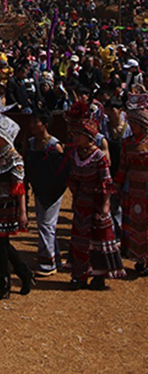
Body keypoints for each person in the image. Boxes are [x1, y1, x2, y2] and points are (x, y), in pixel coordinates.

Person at [66, 99, 125, 290]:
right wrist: (76, 196)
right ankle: (79, 276)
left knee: (99, 241)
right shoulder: (76, 154)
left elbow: (107, 182)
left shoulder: (99, 156)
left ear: (87, 135)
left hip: (98, 203)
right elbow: (73, 179)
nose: (75, 137)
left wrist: (105, 206)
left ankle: (99, 277)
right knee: (80, 241)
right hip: (82, 203)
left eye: (78, 134)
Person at [0, 104, 32, 300]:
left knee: (0, 242)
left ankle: (5, 282)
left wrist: (23, 212)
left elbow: (19, 188)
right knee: (0, 243)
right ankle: (22, 273)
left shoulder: (15, 158)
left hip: (7, 204)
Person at [25, 108, 68, 277]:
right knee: (45, 222)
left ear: (45, 125)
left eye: (36, 122)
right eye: (32, 121)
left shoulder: (54, 145)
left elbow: (61, 170)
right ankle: (54, 257)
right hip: (39, 188)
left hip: (52, 191)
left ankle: (47, 263)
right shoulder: (30, 143)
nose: (32, 125)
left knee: (46, 224)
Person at [114, 92, 148, 275]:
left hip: (146, 187)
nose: (133, 126)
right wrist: (117, 186)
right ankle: (139, 258)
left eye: (136, 123)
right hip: (132, 188)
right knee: (134, 222)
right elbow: (123, 166)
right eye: (132, 123)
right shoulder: (127, 143)